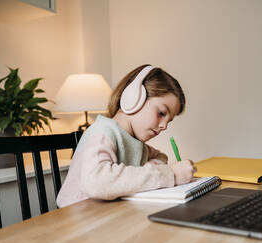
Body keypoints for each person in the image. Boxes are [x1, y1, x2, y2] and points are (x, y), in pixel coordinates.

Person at [56, 64, 196, 208]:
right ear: (134, 98)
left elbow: (161, 157)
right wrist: (169, 174)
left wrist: (148, 169)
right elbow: (96, 182)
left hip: (107, 213)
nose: (164, 126)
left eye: (169, 121)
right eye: (161, 113)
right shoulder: (103, 132)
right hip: (78, 217)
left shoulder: (135, 142)